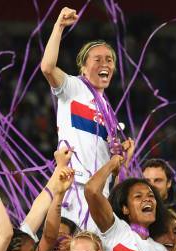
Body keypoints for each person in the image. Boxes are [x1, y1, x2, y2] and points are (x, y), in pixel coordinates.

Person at [41, 6, 119, 230]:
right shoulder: (74, 87)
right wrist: (59, 26)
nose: (105, 64)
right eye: (97, 59)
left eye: (109, 60)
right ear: (83, 68)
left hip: (101, 191)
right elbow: (47, 67)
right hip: (75, 187)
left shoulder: (108, 109)